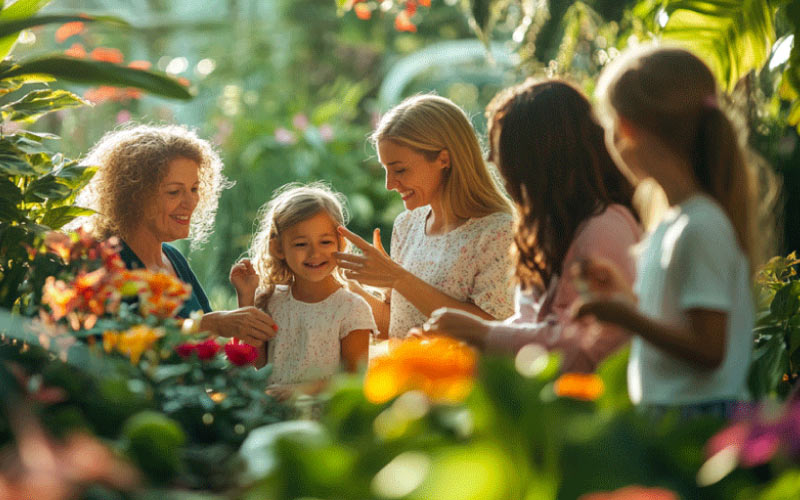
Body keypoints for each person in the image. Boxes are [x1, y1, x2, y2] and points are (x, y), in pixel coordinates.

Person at [574, 46, 765, 415]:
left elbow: (709, 349)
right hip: (676, 413)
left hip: (697, 420)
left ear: (626, 128)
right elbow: (683, 327)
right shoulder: (677, 220)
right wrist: (625, 299)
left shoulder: (700, 226)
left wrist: (627, 318)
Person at [423, 79, 642, 373]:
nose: (490, 159)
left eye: (500, 149)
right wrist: (464, 341)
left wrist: (483, 333)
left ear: (535, 157)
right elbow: (534, 324)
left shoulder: (603, 230)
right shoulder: (549, 228)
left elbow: (597, 346)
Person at [73, 124, 277, 348]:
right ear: (134, 195)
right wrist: (212, 324)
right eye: (174, 192)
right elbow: (117, 345)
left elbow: (206, 356)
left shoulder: (173, 259)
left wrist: (245, 301)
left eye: (194, 189)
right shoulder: (104, 264)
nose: (190, 203)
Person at [334, 94, 516, 340]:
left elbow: (497, 331)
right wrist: (341, 284)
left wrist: (397, 278)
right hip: (404, 373)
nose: (389, 184)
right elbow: (397, 324)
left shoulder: (498, 232)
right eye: (385, 170)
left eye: (400, 170)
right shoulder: (407, 225)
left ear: (443, 159)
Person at [230, 183, 375, 388]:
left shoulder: (352, 309)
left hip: (323, 419)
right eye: (300, 244)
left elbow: (354, 383)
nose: (314, 254)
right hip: (273, 416)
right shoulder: (270, 301)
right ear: (278, 248)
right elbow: (255, 366)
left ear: (341, 243)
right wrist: (246, 298)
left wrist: (298, 392)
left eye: (325, 242)